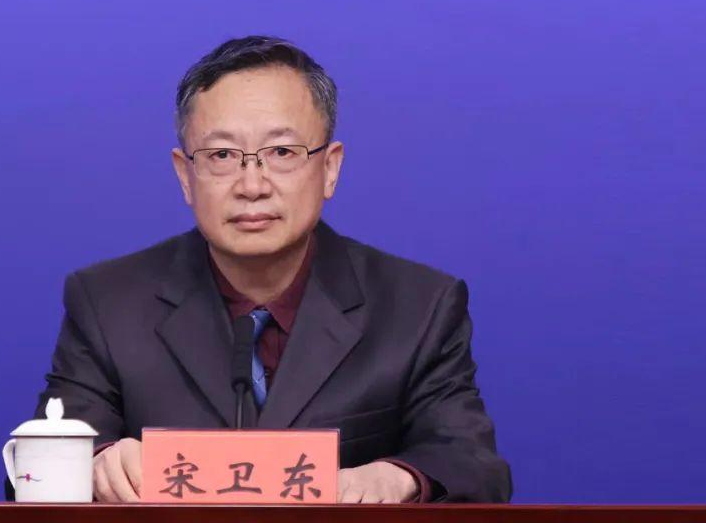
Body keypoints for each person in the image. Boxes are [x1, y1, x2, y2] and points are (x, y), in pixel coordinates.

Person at [27, 36, 511, 503]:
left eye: (282, 153)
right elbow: (39, 463)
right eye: (222, 156)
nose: (252, 185)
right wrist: (98, 461)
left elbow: (472, 465)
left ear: (330, 168)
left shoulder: (419, 308)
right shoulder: (107, 303)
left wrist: (401, 477)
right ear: (185, 175)